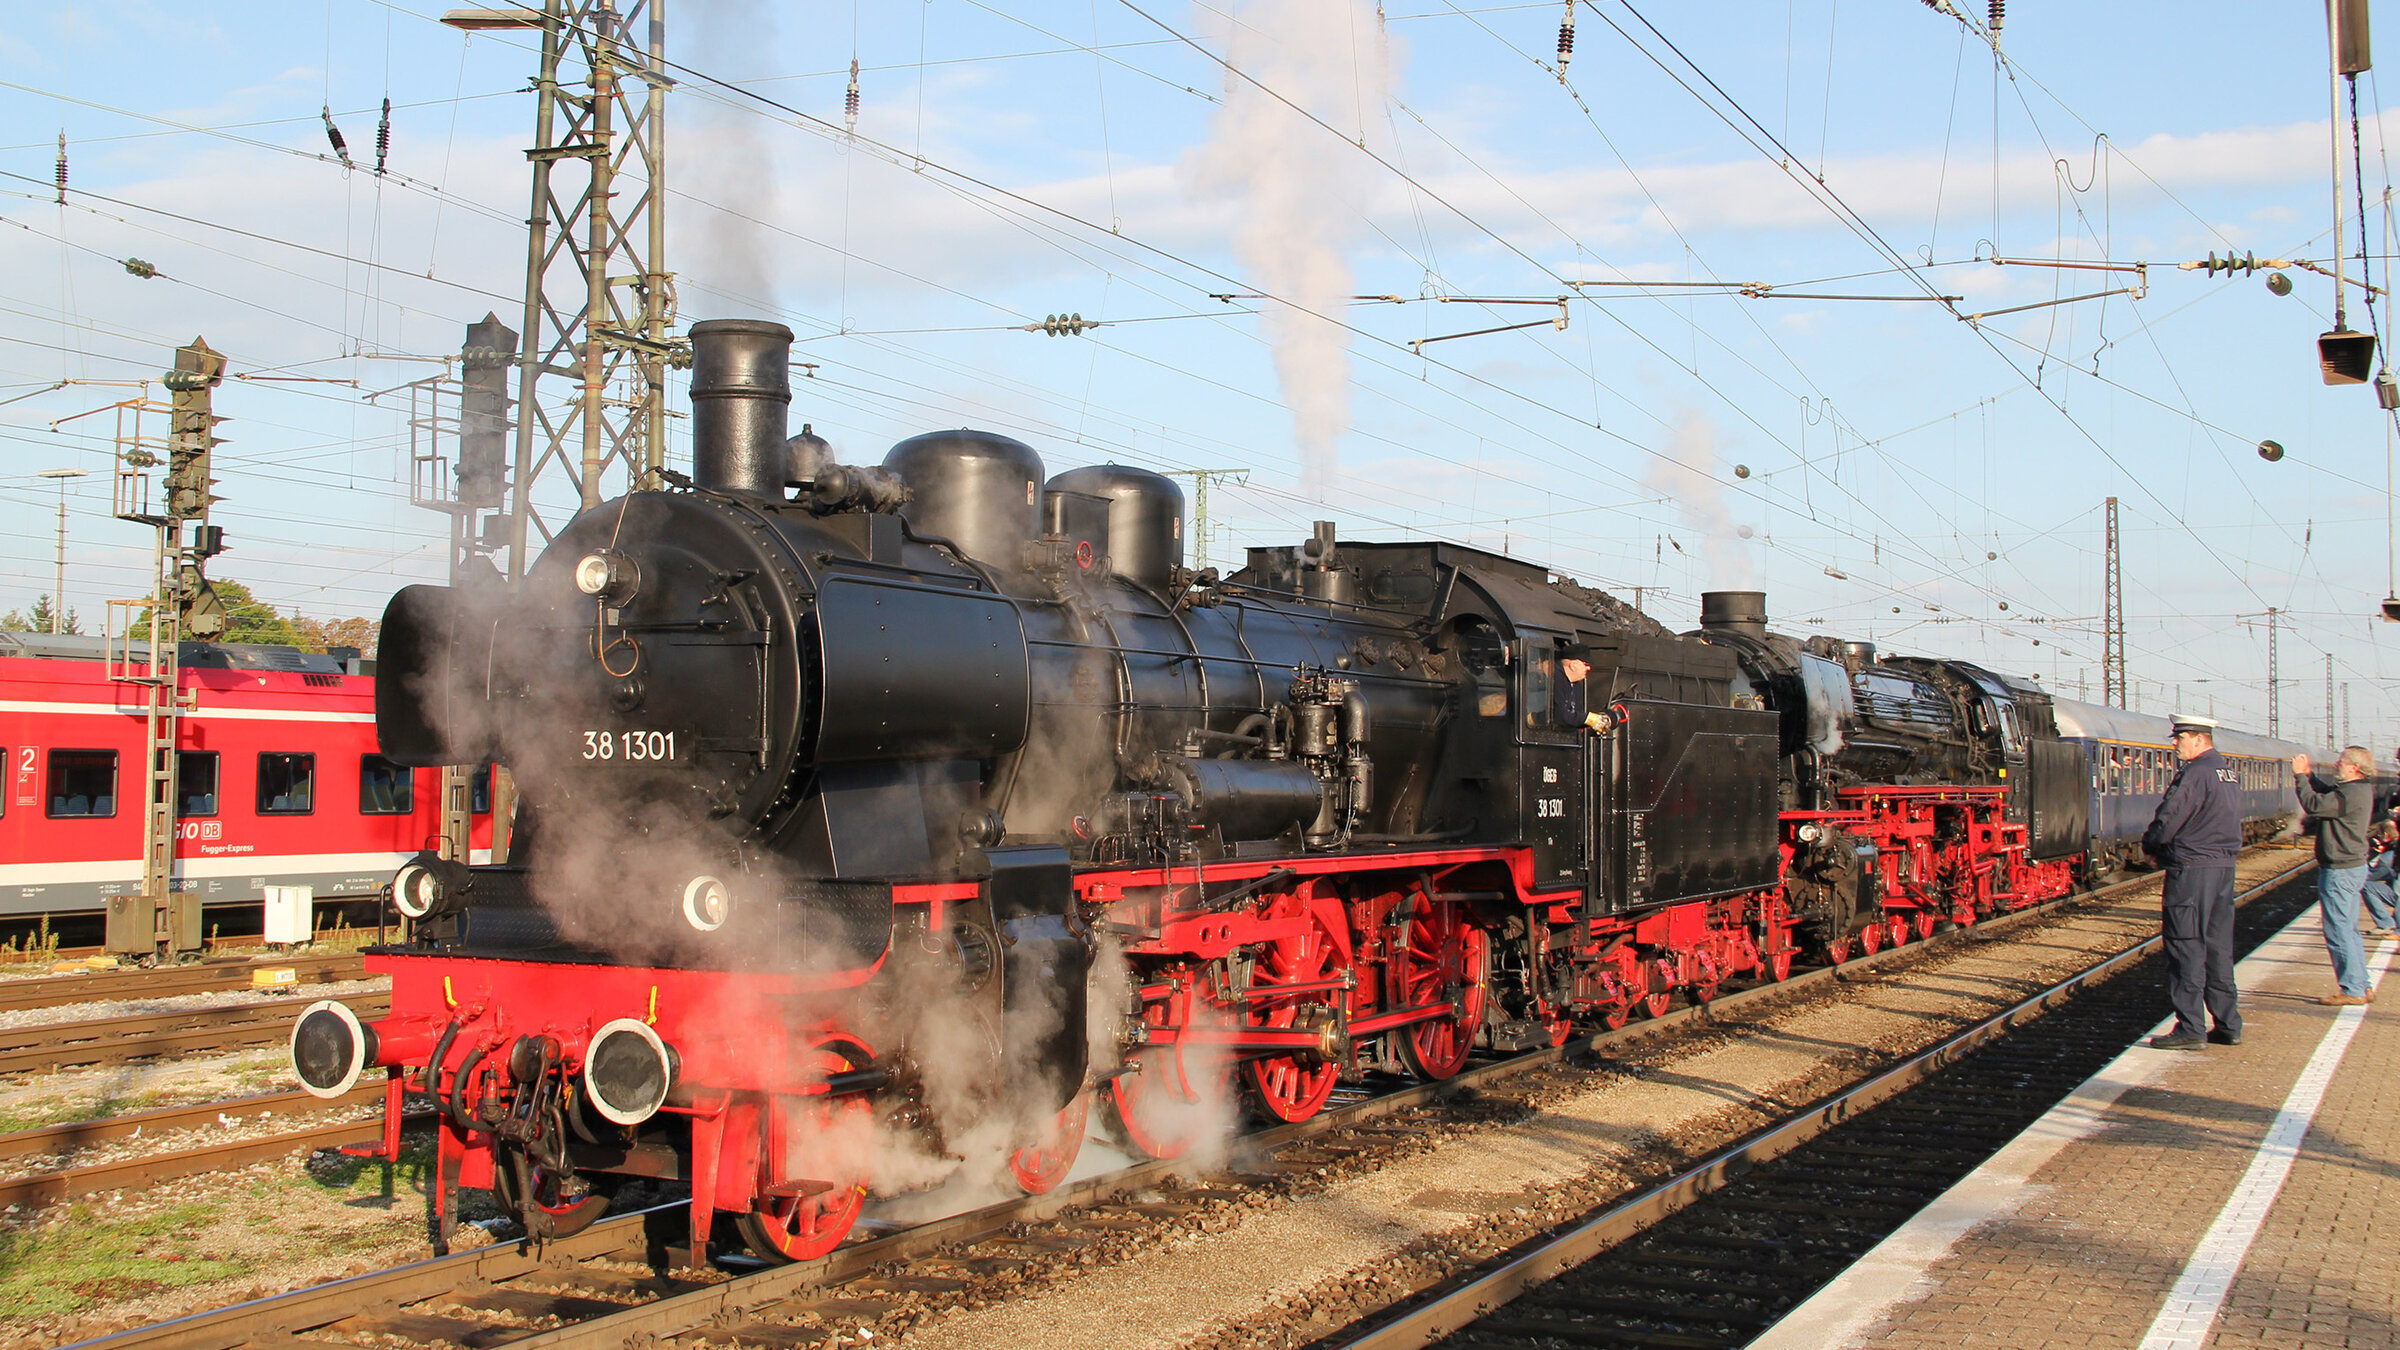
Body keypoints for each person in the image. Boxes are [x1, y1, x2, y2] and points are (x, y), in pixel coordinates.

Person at [2141, 714, 2245, 1049]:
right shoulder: (2225, 772)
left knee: (2186, 944)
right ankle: (2228, 1024)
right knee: (2218, 948)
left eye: (2180, 737)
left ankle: (2190, 1028)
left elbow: (2169, 818)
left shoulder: (2195, 774)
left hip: (2192, 870)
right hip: (2222, 869)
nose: (2175, 743)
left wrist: (2151, 845)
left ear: (2198, 739)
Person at [2295, 745, 2380, 1004]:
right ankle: (2361, 984)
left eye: (2341, 761)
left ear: (2354, 767)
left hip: (2340, 870)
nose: (2337, 764)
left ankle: (2352, 989)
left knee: (2338, 930)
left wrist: (2300, 778)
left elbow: (2314, 804)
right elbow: (2327, 794)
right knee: (2349, 929)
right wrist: (2310, 776)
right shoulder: (2355, 790)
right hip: (2350, 867)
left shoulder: (2351, 794)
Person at [2361, 820, 2399, 940]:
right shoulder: (2393, 850)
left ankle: (2386, 924)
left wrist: (2372, 854)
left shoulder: (2388, 857)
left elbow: (2368, 876)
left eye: (2379, 835)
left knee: (2365, 886)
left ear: (2386, 835)